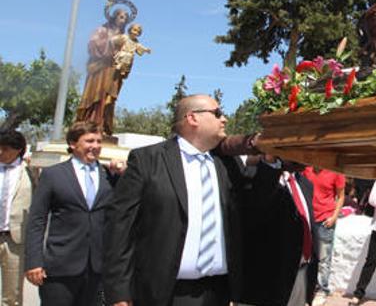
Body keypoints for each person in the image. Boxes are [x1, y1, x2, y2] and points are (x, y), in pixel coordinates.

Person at [102, 94, 276, 306]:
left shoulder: (226, 164)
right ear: (192, 118)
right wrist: (118, 292)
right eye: (217, 113)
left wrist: (270, 161)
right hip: (163, 293)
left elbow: (252, 207)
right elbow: (120, 227)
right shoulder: (148, 160)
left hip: (218, 292)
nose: (225, 119)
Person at [24, 121, 118, 305]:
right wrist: (33, 261)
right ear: (73, 144)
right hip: (60, 268)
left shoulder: (109, 175)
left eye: (99, 142)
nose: (96, 146)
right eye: (89, 141)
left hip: (97, 269)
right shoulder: (54, 175)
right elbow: (37, 220)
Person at [239, 160, 315, 306]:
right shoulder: (257, 176)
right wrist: (271, 164)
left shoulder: (305, 184)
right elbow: (256, 210)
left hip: (300, 275)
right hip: (268, 281)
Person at [76, 7, 131, 136]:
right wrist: (111, 42)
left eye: (125, 19)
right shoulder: (102, 30)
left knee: (108, 99)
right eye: (121, 17)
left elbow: (128, 54)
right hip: (99, 69)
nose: (123, 21)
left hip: (113, 71)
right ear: (114, 17)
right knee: (94, 96)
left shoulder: (124, 37)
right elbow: (92, 45)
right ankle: (89, 123)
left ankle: (103, 126)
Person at [302, 166, 345, 305]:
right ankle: (308, 288)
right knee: (307, 256)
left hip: (325, 220)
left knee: (324, 258)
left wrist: (334, 217)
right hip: (308, 218)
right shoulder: (306, 168)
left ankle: (322, 290)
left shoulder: (336, 171)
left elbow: (341, 196)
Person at [0, 130, 34, 306]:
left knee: (12, 294)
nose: (0, 152)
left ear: (19, 149)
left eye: (5, 149)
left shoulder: (30, 171)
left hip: (14, 240)